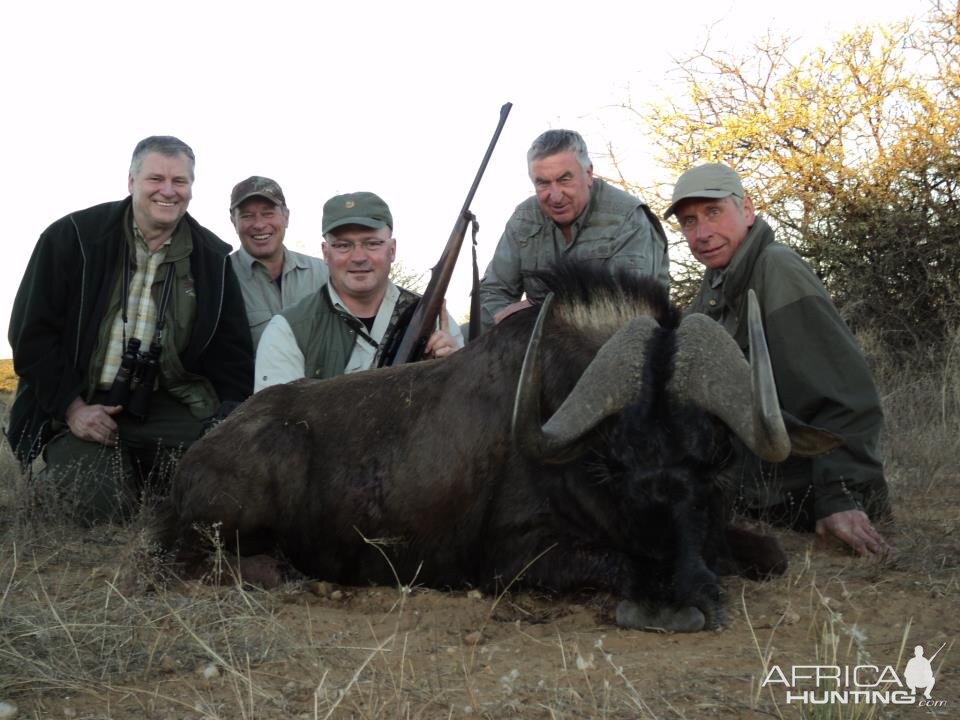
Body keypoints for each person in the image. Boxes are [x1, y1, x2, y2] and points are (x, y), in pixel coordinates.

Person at [5, 135, 253, 523]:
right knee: (99, 510)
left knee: (225, 489)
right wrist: (73, 409)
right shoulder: (72, 236)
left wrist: (225, 422)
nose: (168, 191)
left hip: (165, 401)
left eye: (180, 182)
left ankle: (148, 477)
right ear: (131, 182)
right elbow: (30, 336)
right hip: (79, 401)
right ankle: (66, 471)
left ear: (191, 187)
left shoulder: (213, 257)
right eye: (156, 179)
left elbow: (232, 354)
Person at [664, 162, 891, 557]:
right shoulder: (711, 292)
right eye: (688, 222)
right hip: (759, 496)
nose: (701, 234)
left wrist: (840, 498)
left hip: (805, 497)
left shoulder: (777, 267)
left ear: (747, 210)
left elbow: (844, 397)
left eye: (713, 213)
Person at [255, 191, 462, 391]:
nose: (359, 257)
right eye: (343, 246)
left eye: (372, 244)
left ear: (392, 250)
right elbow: (274, 422)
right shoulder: (287, 330)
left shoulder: (435, 320)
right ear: (326, 254)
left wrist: (455, 368)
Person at [479, 129, 670, 329]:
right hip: (539, 344)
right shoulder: (524, 218)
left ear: (588, 174)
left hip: (617, 347)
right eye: (543, 183)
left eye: (564, 179)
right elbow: (493, 292)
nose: (555, 196)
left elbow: (629, 306)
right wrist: (507, 323)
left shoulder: (629, 218)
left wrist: (539, 309)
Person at [228, 176, 328, 347]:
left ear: (286, 217)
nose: (259, 224)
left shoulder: (323, 273)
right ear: (233, 221)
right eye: (247, 216)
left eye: (268, 213)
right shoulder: (220, 279)